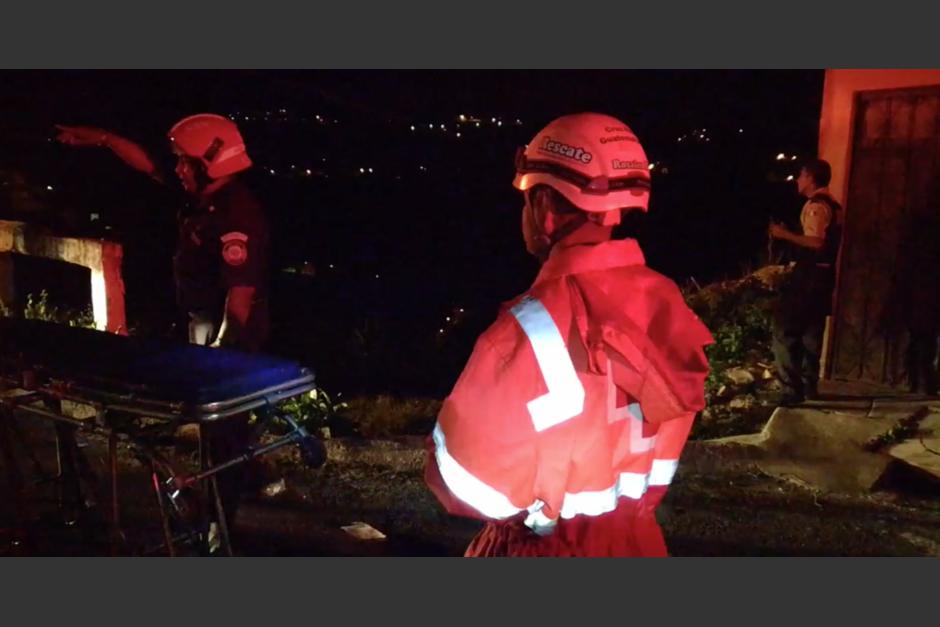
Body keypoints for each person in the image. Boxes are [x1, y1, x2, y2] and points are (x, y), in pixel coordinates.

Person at [424, 113, 713, 557]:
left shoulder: (528, 328)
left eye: (526, 198)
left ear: (543, 204)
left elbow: (469, 488)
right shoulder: (664, 301)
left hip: (542, 549)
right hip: (637, 543)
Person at [55, 114, 270, 552]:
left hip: (228, 333)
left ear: (209, 162)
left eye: (183, 162)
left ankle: (219, 531)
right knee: (214, 431)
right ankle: (224, 497)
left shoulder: (236, 215)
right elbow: (147, 165)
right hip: (200, 322)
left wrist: (218, 361)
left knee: (222, 435)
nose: (176, 169)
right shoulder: (201, 196)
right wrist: (101, 136)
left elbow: (240, 302)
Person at [768, 158, 842, 404]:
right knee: (811, 331)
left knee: (784, 329)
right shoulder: (834, 205)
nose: (798, 181)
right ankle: (810, 386)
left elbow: (816, 241)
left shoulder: (816, 206)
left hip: (809, 277)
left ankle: (791, 389)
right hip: (823, 276)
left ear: (810, 177)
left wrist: (784, 234)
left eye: (801, 175)